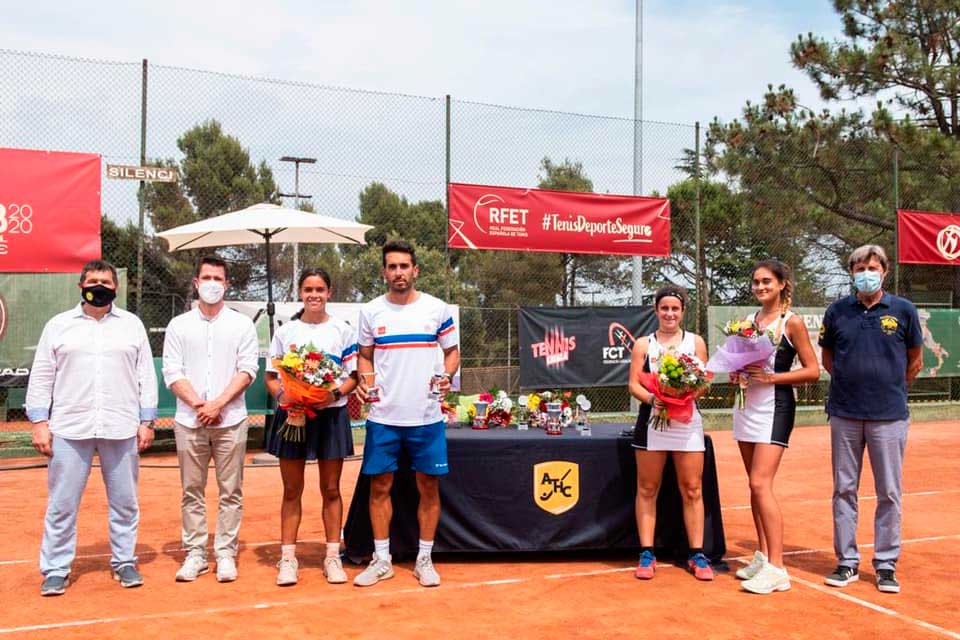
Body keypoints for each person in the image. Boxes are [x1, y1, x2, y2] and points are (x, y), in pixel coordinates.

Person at [26, 260, 158, 596]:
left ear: (116, 288)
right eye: (93, 280)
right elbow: (42, 374)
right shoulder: (58, 326)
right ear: (80, 285)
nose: (99, 285)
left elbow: (146, 375)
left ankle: (125, 561)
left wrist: (147, 421)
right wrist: (40, 422)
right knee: (62, 503)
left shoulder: (132, 326)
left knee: (125, 501)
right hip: (70, 428)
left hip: (121, 426)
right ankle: (56, 568)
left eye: (106, 281)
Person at [353, 239, 459, 588]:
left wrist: (445, 377)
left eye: (404, 266)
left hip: (426, 416)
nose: (399, 272)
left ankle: (424, 559)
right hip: (384, 416)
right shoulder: (370, 311)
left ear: (415, 270)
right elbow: (364, 355)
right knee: (379, 486)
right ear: (384, 272)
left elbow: (453, 353)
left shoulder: (437, 308)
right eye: (392, 266)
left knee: (428, 486)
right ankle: (381, 559)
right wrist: (366, 382)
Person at [819, 245, 922, 594]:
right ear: (851, 273)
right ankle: (847, 562)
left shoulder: (904, 311)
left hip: (889, 416)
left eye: (873, 267)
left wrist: (889, 389)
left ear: (885, 272)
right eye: (860, 267)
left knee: (889, 492)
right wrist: (852, 385)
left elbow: (915, 361)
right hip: (845, 414)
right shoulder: (837, 312)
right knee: (844, 489)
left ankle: (886, 564)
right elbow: (828, 358)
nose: (866, 272)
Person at [162, 256, 259, 583]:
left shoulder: (241, 324)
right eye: (207, 277)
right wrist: (199, 404)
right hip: (189, 422)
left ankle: (226, 553)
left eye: (218, 278)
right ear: (196, 282)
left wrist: (217, 404)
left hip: (231, 420)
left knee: (231, 490)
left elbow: (248, 370)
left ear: (227, 284)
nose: (212, 283)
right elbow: (172, 372)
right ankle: (196, 554)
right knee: (192, 490)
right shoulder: (179, 325)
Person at [264, 267, 358, 587]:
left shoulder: (342, 331)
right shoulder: (286, 332)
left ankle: (332, 556)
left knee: (331, 489)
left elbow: (353, 377)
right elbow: (271, 375)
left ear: (329, 292)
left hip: (330, 416)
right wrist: (285, 397)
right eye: (308, 289)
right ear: (300, 293)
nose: (314, 295)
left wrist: (329, 395)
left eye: (319, 289)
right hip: (292, 415)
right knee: (292, 490)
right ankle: (288, 558)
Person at [730, 260, 819, 594]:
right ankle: (763, 555)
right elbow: (741, 362)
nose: (760, 287)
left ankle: (778, 569)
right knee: (753, 487)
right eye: (755, 282)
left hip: (775, 408)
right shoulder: (749, 321)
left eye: (766, 281)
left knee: (760, 483)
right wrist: (737, 372)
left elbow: (812, 371)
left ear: (782, 283)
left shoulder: (791, 322)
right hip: (746, 407)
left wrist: (772, 378)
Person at [628, 286, 713, 581]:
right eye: (664, 308)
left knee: (692, 489)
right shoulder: (643, 344)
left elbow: (703, 382)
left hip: (687, 423)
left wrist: (685, 394)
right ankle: (647, 552)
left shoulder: (695, 342)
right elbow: (634, 385)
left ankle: (697, 554)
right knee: (647, 489)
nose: (669, 314)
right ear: (656, 310)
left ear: (683, 312)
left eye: (675, 309)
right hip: (652, 422)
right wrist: (656, 399)